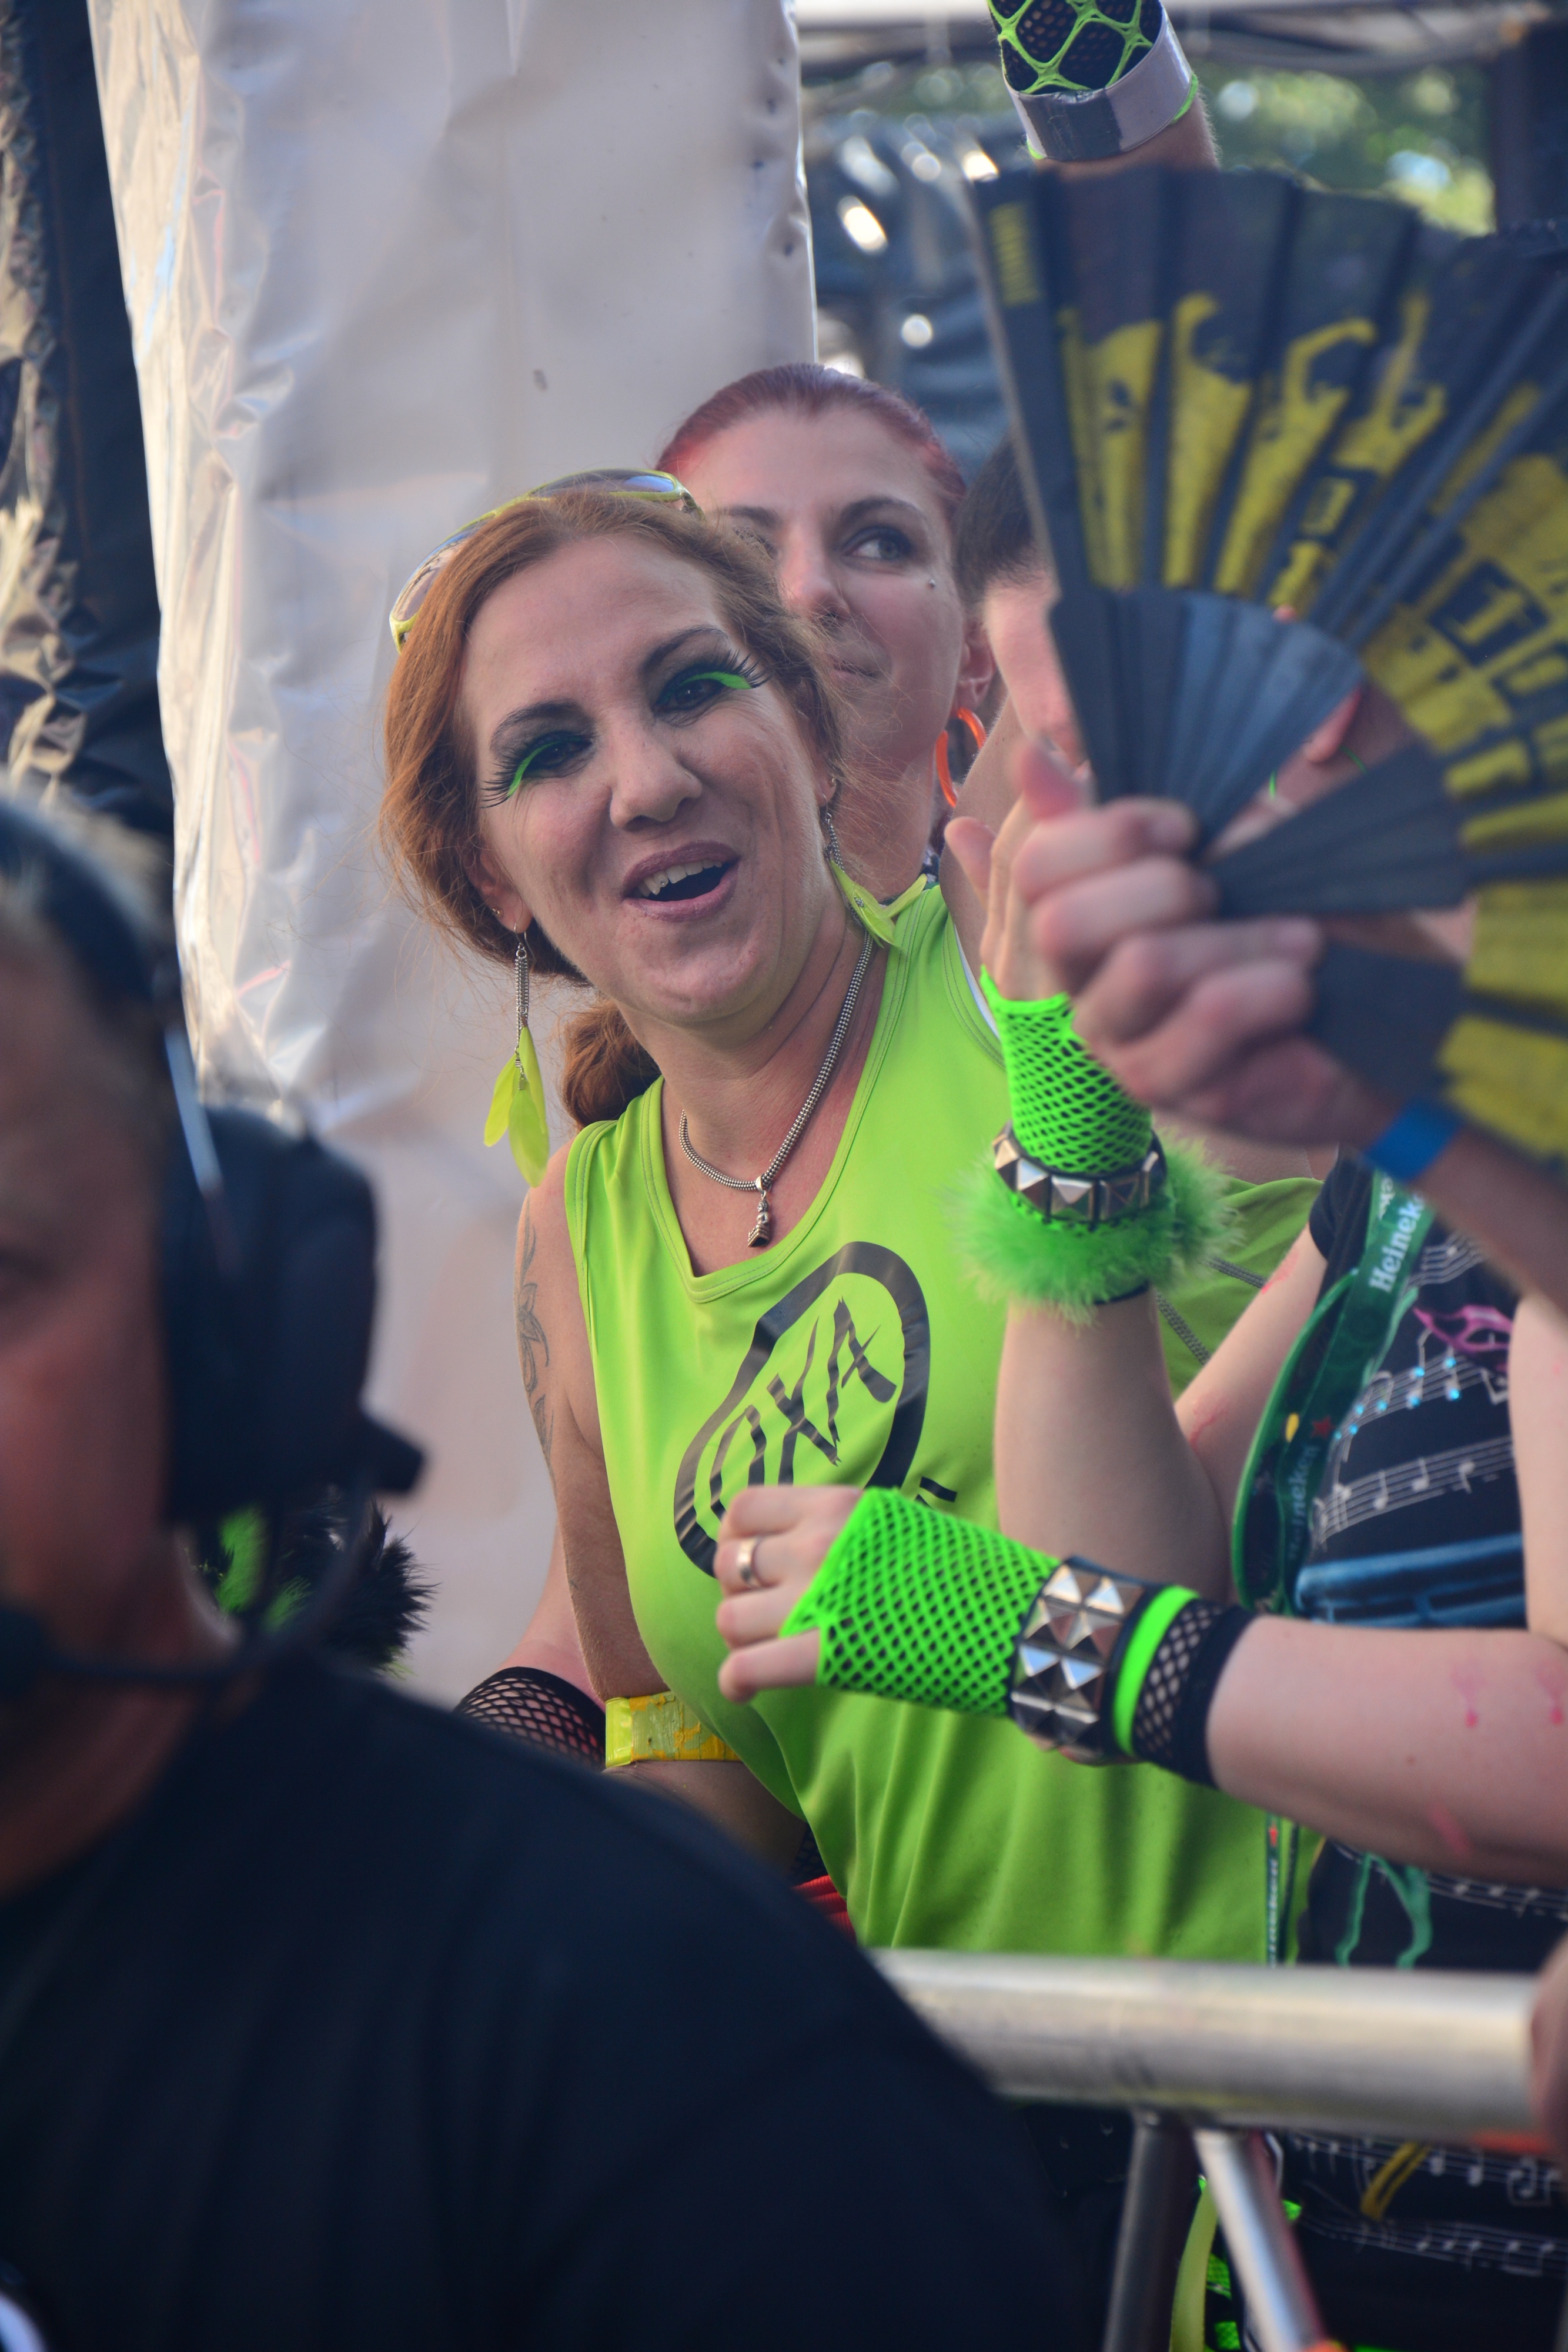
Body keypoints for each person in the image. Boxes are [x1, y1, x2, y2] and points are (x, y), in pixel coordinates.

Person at [0, 795, 1092, 2352]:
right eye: (553, 752)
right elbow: (630, 1675)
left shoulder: (674, 2057)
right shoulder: (584, 1217)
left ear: (215, 1322)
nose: (642, 790)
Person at [715, 734, 1568, 2350]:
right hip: (1323, 2274)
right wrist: (1071, 1127)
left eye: (1084, 758)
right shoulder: (1410, 1165)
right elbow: (1122, 1561)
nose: (1038, 852)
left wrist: (1042, 1638)